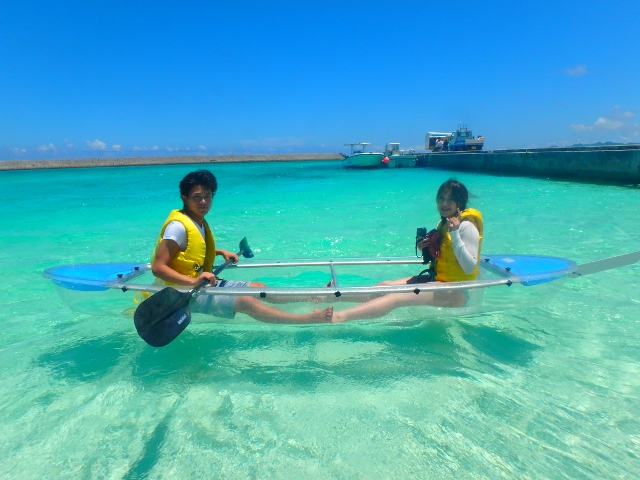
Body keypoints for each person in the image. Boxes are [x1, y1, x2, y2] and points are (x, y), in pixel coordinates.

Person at [151, 169, 333, 324]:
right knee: (245, 301)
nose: (203, 202)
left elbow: (188, 252)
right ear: (184, 198)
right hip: (181, 294)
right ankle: (306, 319)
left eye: (207, 196)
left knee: (259, 286)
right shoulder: (178, 227)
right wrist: (193, 281)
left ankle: (313, 296)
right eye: (197, 197)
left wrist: (219, 252)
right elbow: (158, 268)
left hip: (202, 284)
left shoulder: (197, 222)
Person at [331, 179, 482, 322]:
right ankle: (329, 296)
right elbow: (447, 258)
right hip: (438, 281)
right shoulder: (445, 224)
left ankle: (338, 317)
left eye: (450, 199)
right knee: (384, 287)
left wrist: (455, 234)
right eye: (441, 198)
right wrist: (426, 249)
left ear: (460, 202)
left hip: (460, 289)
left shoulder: (466, 226)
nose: (444, 203)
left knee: (395, 298)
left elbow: (469, 268)